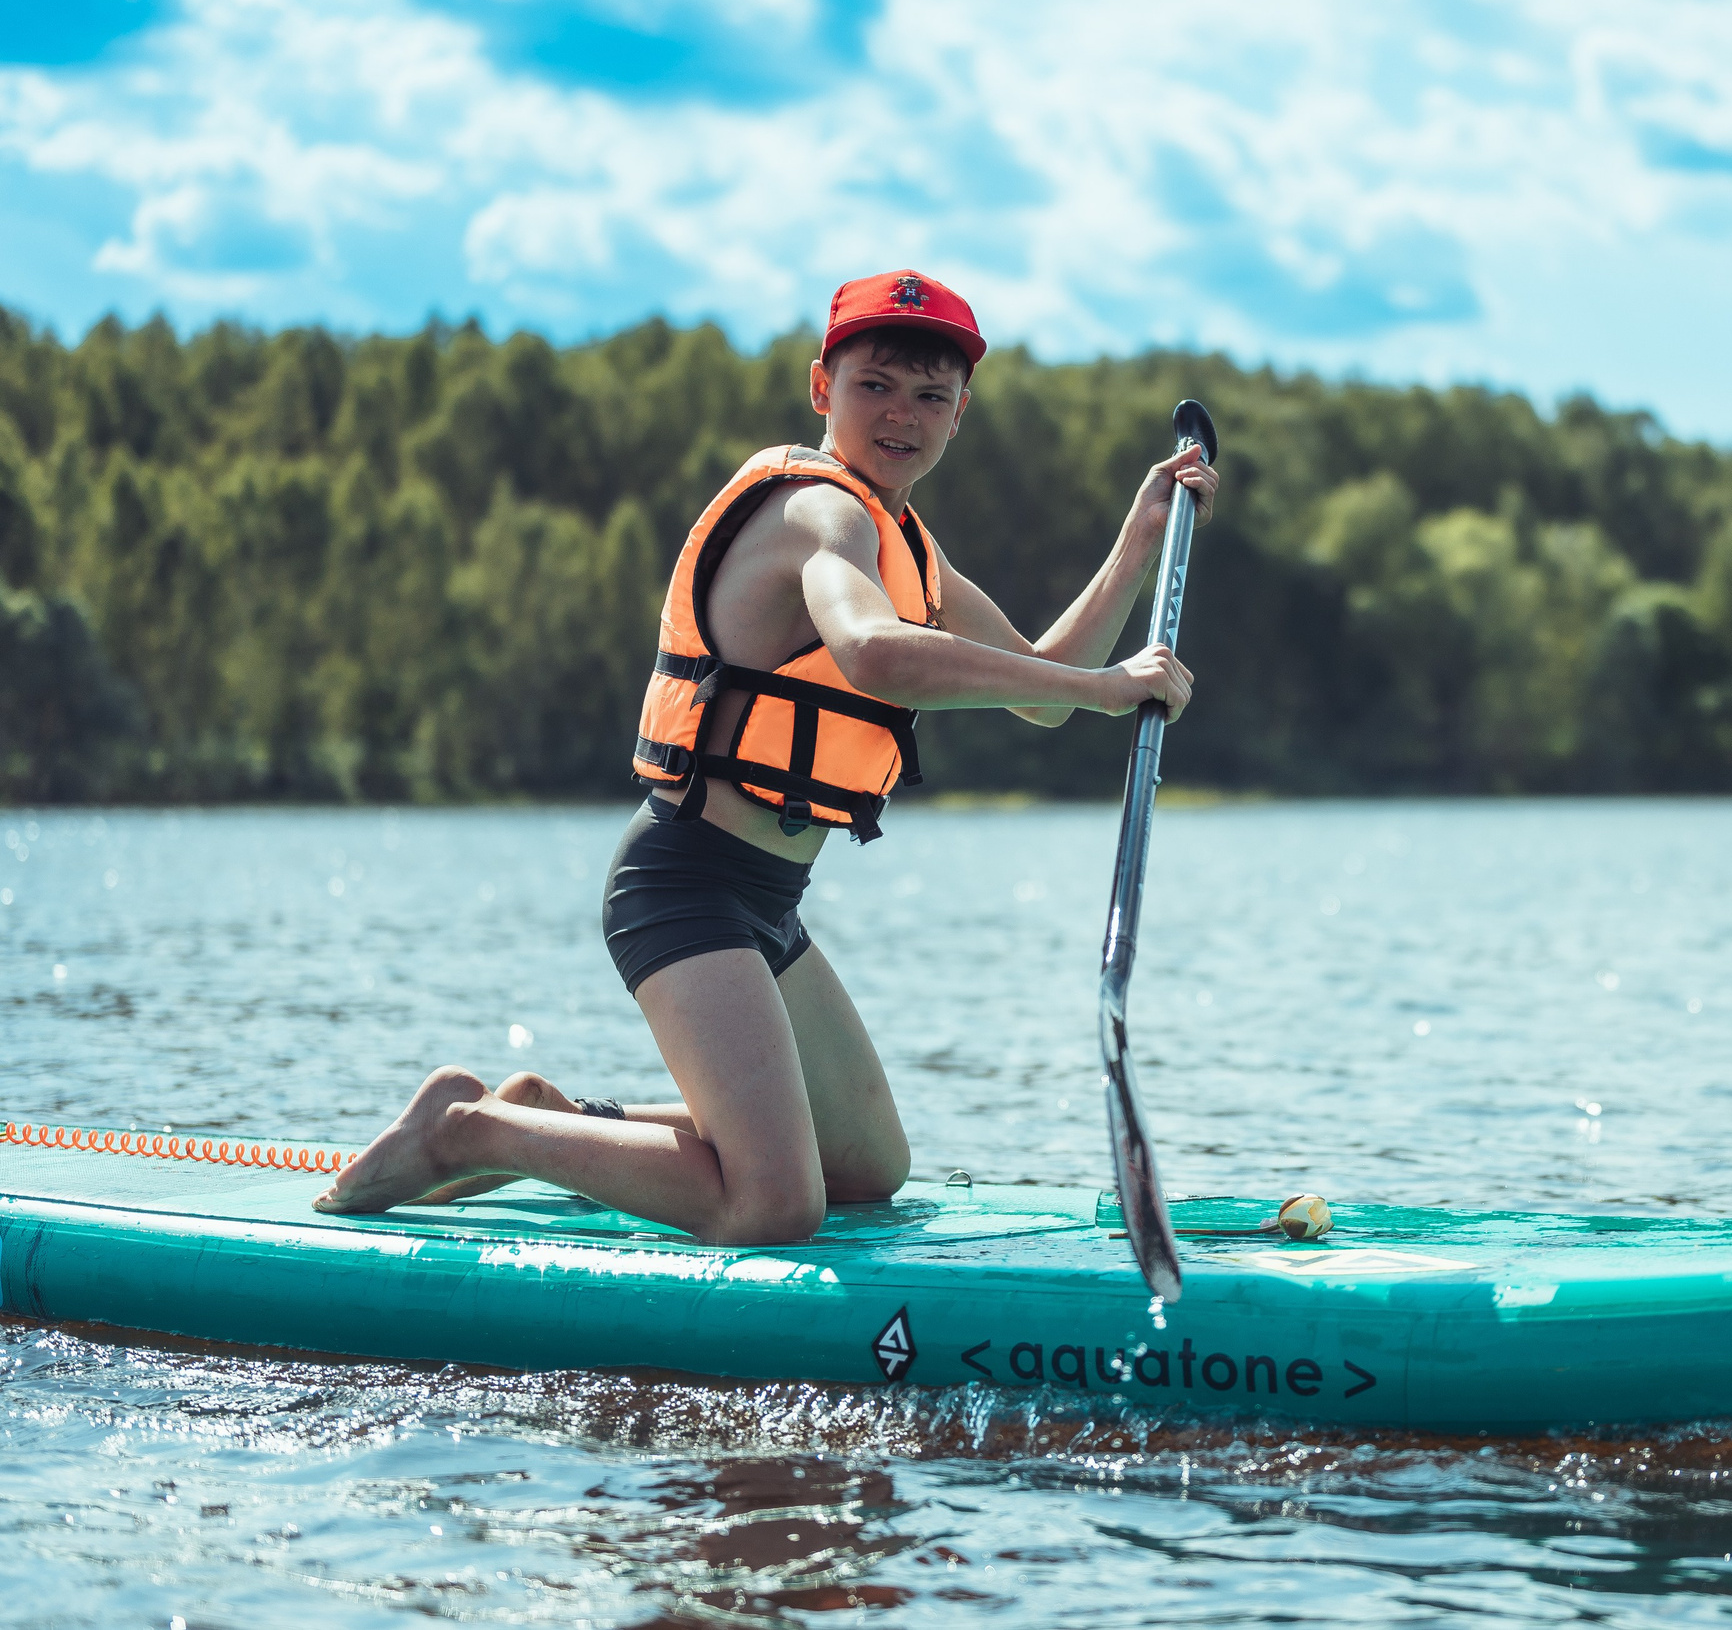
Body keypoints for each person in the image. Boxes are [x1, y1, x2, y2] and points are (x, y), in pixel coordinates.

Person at [315, 270, 1217, 1243]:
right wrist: (1107, 687)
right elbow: (872, 652)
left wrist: (1139, 539)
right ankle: (470, 1131)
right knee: (774, 1205)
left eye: (930, 395)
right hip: (684, 885)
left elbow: (1038, 685)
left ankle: (556, 1120)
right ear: (822, 387)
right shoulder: (821, 514)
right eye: (875, 385)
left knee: (866, 1169)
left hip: (767, 901)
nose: (902, 414)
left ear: (960, 414)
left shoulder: (906, 542)